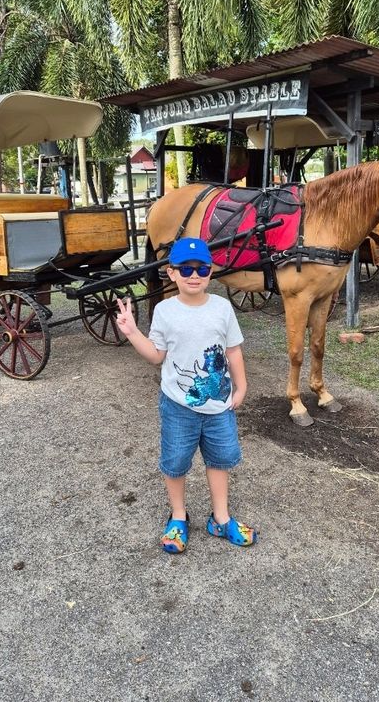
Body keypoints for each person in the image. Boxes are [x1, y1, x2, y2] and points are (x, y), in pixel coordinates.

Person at [115, 236, 257, 554]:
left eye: (202, 268)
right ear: (172, 272)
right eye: (186, 268)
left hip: (219, 406)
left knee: (220, 461)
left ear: (210, 271)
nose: (195, 275)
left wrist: (242, 385)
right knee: (176, 463)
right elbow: (156, 356)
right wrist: (132, 332)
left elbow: (233, 350)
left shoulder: (222, 308)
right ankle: (178, 516)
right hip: (178, 407)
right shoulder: (165, 311)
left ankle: (220, 517)